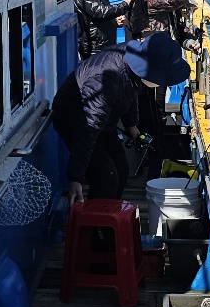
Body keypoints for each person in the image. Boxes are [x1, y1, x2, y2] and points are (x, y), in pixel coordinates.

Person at [52, 33, 190, 203]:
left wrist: (131, 125)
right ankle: (96, 224)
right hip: (77, 119)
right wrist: (76, 177)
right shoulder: (106, 78)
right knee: (106, 177)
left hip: (104, 119)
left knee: (122, 169)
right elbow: (88, 130)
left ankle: (110, 214)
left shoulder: (133, 64)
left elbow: (130, 93)